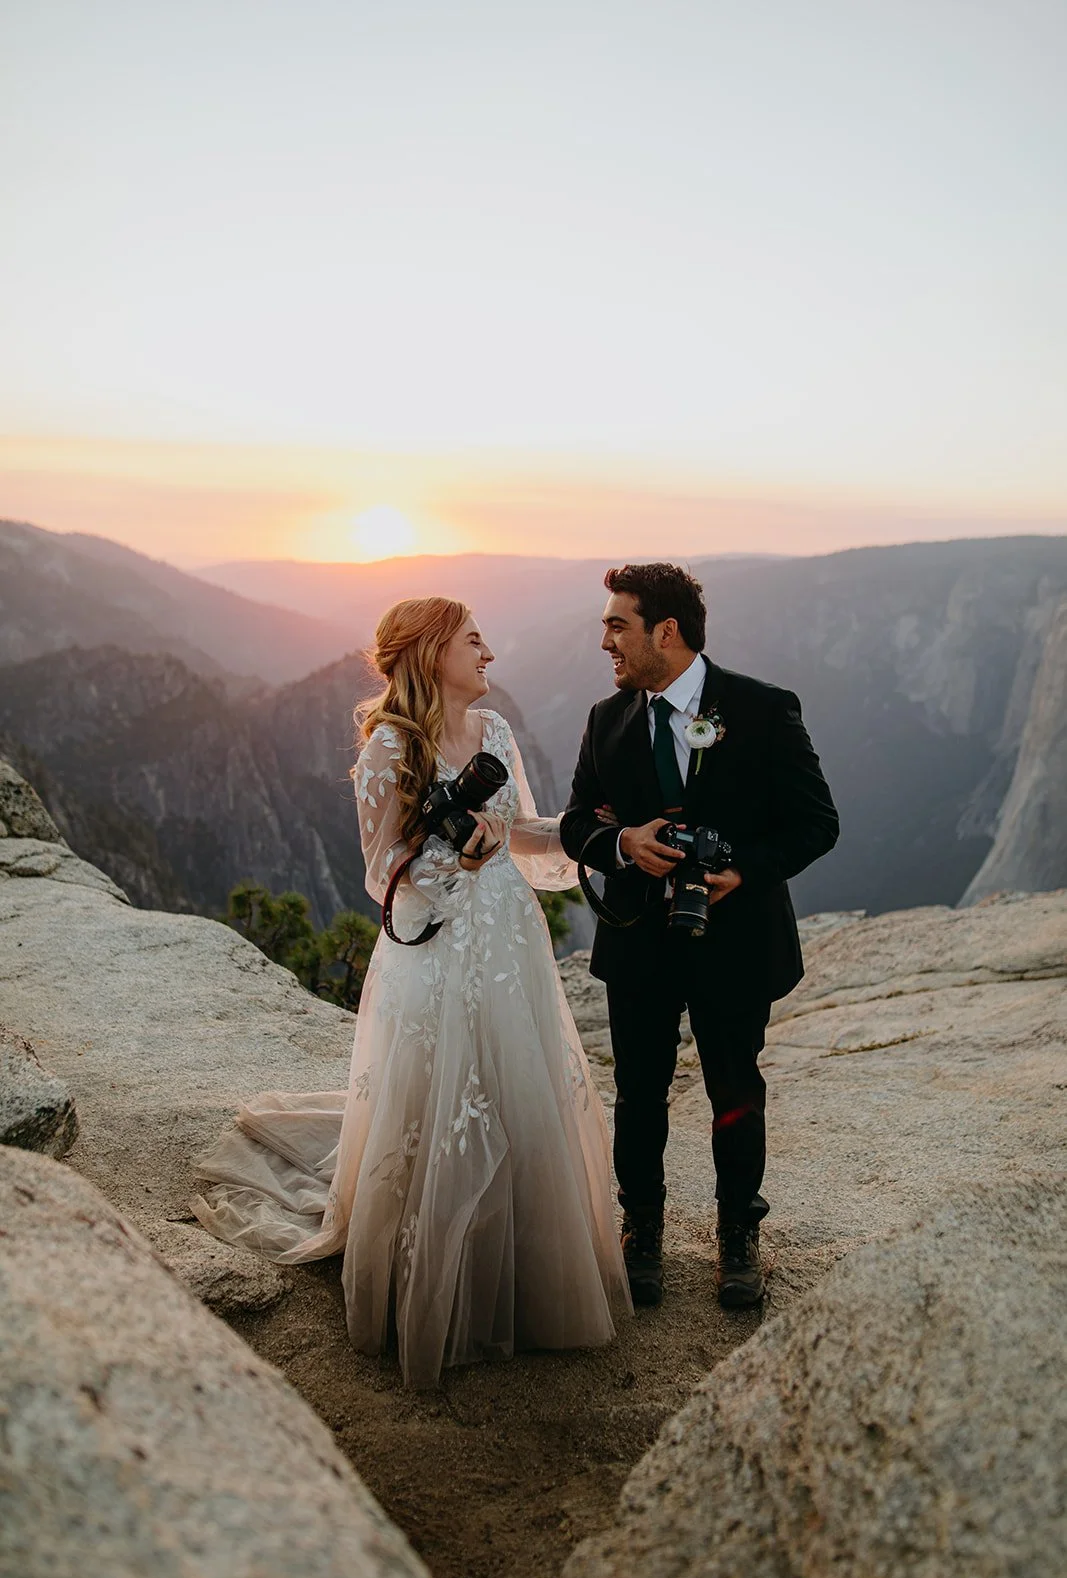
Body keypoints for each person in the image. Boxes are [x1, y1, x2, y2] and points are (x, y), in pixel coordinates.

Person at [193, 596, 630, 1388]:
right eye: (473, 641)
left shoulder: (494, 732)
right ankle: (439, 1274)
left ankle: (524, 1261)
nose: (488, 653)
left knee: (518, 1087)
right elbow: (381, 872)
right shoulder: (388, 747)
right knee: (444, 1097)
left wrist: (598, 835)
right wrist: (456, 863)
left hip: (509, 942)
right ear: (432, 654)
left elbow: (523, 832)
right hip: (438, 948)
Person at [560, 563, 839, 1309]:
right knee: (637, 1092)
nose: (604, 642)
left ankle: (738, 1234)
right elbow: (578, 821)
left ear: (666, 631)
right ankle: (641, 1230)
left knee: (734, 1088)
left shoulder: (762, 708)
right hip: (639, 942)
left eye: (616, 625)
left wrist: (741, 870)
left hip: (735, 940)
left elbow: (817, 824)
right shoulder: (606, 718)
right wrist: (624, 844)